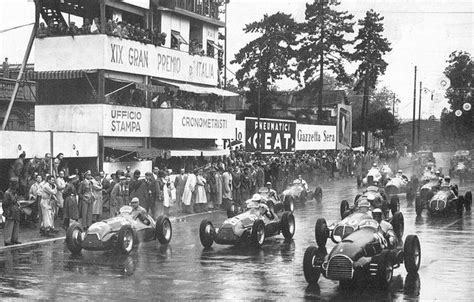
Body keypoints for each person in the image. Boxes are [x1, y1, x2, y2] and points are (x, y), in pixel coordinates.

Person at [3, 178, 21, 245]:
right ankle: (7, 241)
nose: (17, 185)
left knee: (16, 225)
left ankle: (14, 239)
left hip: (15, 210)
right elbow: (4, 204)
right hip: (10, 211)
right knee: (9, 226)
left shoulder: (14, 192)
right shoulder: (7, 193)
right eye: (16, 184)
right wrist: (7, 212)